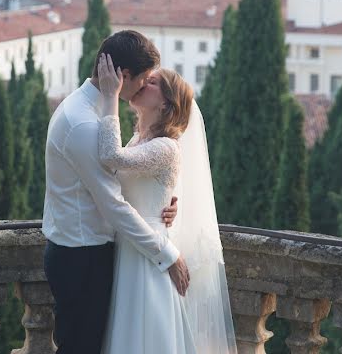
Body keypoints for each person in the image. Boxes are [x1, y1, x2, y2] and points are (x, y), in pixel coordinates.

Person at [42, 30, 189, 354]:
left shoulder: (88, 112)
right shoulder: (85, 124)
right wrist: (167, 254)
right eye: (146, 78)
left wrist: (161, 200)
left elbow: (119, 177)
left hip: (94, 251)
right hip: (82, 256)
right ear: (123, 76)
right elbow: (112, 203)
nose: (145, 85)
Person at [97, 54, 236, 354]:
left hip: (149, 260)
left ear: (165, 104)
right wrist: (170, 201)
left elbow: (111, 158)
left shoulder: (165, 146)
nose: (144, 82)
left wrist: (110, 97)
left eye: (154, 82)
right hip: (133, 250)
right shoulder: (139, 140)